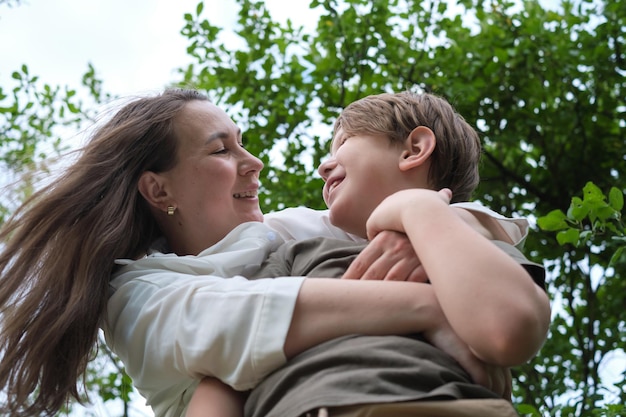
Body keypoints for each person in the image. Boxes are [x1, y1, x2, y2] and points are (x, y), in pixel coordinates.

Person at [0, 88, 534, 417]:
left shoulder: (290, 234)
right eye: (221, 149)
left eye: (242, 142)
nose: (254, 162)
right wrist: (434, 307)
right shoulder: (139, 294)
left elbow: (480, 238)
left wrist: (421, 217)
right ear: (159, 191)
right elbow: (240, 329)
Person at [184, 91, 551, 417]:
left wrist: (417, 208)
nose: (322, 167)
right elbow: (227, 371)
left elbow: (508, 331)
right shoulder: (297, 256)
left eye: (343, 144)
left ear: (413, 150)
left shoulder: (472, 246)